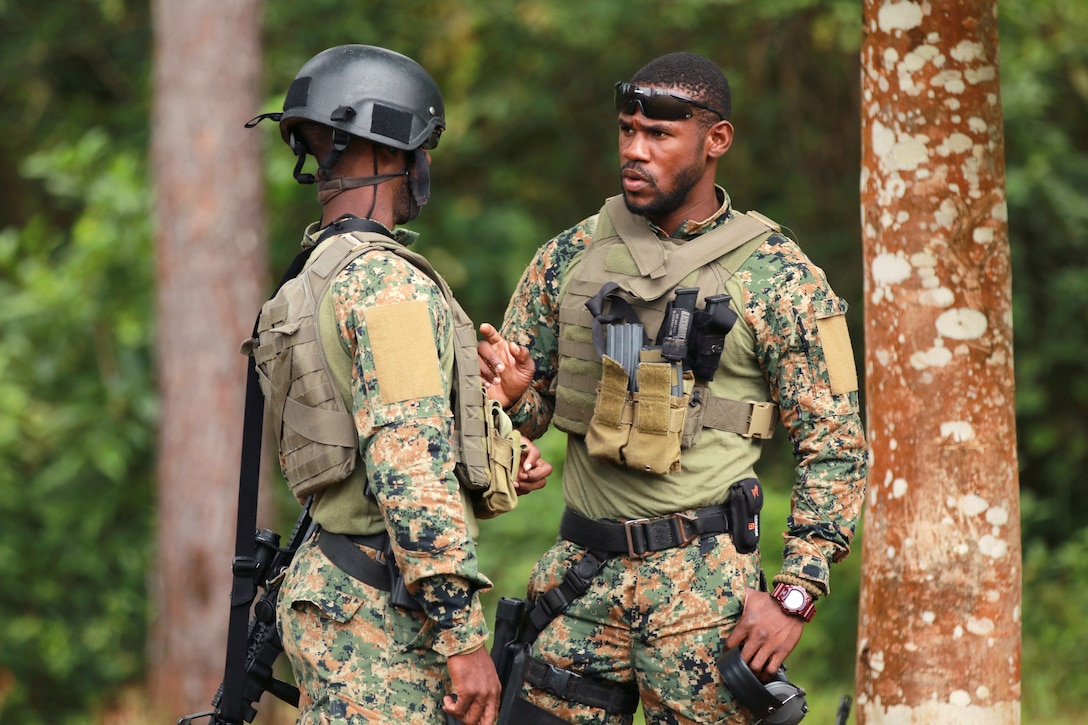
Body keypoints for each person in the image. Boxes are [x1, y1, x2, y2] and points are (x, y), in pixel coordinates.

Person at [478, 52, 868, 724]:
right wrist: (513, 399)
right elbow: (530, 419)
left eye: (658, 135)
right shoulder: (568, 258)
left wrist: (796, 592)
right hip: (578, 581)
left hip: (705, 595)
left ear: (716, 140)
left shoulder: (778, 275)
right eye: (627, 130)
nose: (635, 150)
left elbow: (835, 443)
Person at [245, 45, 551, 725]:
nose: (427, 165)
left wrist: (490, 421)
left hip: (334, 587)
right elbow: (407, 468)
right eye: (424, 146)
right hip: (383, 619)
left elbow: (363, 433)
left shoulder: (312, 275)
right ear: (397, 151)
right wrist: (464, 639)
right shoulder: (388, 283)